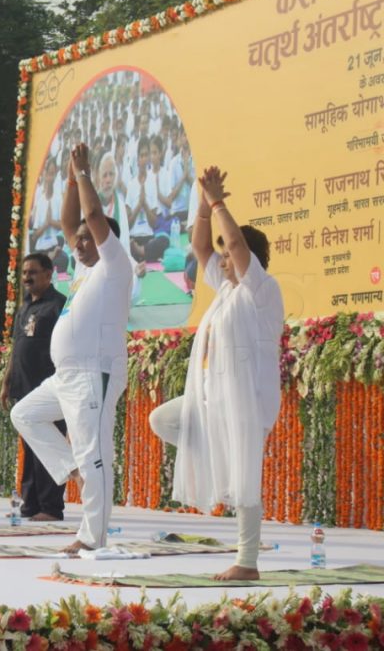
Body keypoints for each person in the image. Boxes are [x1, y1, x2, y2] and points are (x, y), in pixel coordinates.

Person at [149, 166, 283, 581]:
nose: (223, 259)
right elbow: (200, 247)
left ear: (249, 260)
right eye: (223, 256)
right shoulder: (226, 290)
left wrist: (218, 202)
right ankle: (216, 460)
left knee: (246, 480)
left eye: (230, 255)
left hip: (246, 401)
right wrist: (204, 211)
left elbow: (237, 244)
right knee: (163, 419)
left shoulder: (260, 289)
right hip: (213, 399)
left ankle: (247, 562)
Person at [11, 143, 133, 553]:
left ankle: (91, 537)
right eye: (77, 239)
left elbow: (93, 217)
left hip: (93, 373)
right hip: (65, 377)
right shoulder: (85, 267)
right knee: (23, 414)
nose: (77, 243)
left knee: (96, 453)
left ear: (106, 240)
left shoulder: (116, 264)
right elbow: (70, 219)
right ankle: (74, 468)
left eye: (86, 238)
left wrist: (83, 173)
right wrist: (67, 178)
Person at [0, 253, 68, 522]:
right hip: (23, 386)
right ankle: (30, 505)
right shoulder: (25, 306)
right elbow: (16, 347)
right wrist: (7, 381)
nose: (27, 277)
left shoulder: (59, 305)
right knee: (29, 448)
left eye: (33, 272)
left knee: (48, 447)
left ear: (49, 274)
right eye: (24, 273)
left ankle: (51, 507)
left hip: (49, 389)